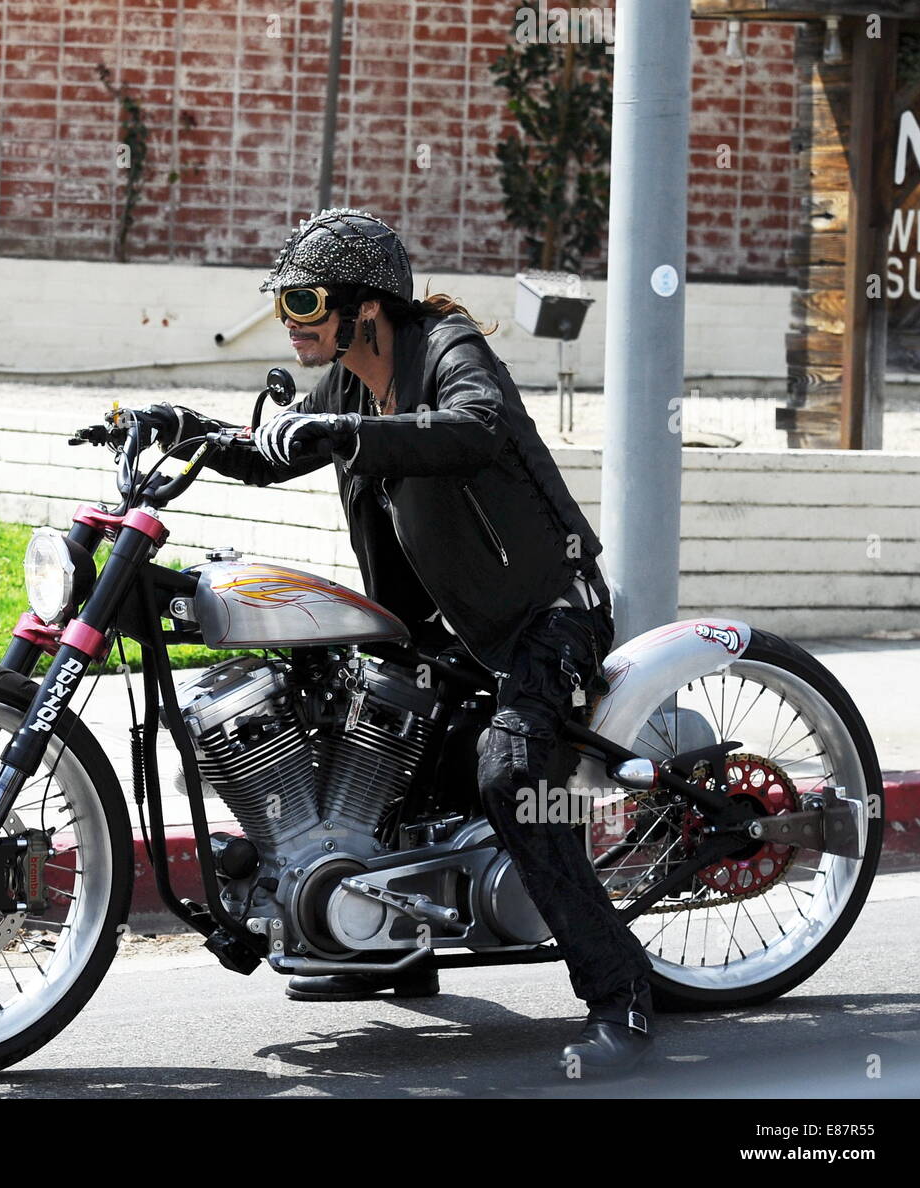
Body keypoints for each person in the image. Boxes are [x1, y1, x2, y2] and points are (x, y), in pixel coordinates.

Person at [135, 208, 654, 1076]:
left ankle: (621, 996)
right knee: (354, 721)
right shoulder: (347, 379)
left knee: (512, 774)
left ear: (365, 308)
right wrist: (182, 429)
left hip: (547, 614)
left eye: (305, 300)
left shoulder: (446, 346)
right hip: (444, 629)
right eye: (286, 302)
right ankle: (390, 942)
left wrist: (345, 432)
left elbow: (476, 425)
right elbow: (271, 452)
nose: (292, 319)